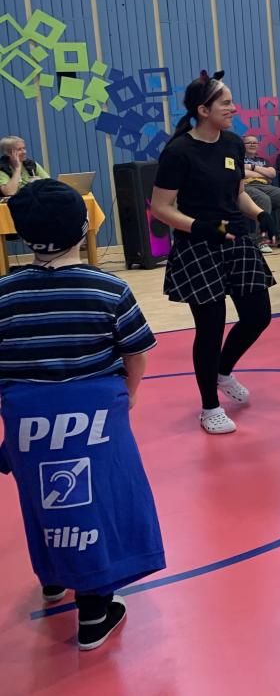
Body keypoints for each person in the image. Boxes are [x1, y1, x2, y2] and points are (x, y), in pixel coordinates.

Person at [0, 180, 163, 651]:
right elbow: (135, 353)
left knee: (44, 498)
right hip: (94, 418)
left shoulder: (4, 294)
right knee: (98, 502)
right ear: (84, 227)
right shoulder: (107, 287)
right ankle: (94, 610)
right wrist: (127, 396)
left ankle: (54, 577)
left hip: (27, 421)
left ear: (21, 234)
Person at [151, 71, 276, 435]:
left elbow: (238, 193)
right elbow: (161, 207)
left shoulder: (233, 144)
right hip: (199, 246)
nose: (233, 108)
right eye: (226, 103)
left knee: (258, 316)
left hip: (236, 240)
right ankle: (210, 407)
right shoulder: (178, 152)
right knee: (210, 328)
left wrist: (260, 214)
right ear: (203, 110)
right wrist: (199, 226)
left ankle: (222, 371)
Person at [242, 135, 280, 252]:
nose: (252, 144)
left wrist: (251, 167)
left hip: (265, 186)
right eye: (249, 142)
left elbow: (272, 174)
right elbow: (242, 173)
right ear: (243, 145)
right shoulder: (238, 158)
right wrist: (263, 173)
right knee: (263, 199)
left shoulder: (263, 161)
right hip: (246, 187)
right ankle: (262, 240)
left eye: (255, 143)